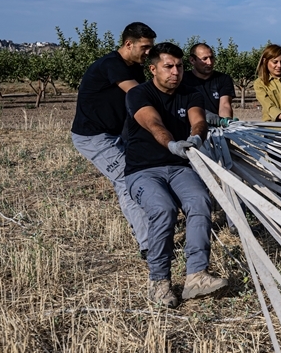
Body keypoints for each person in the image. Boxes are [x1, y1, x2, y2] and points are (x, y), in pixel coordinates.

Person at [123, 42, 228, 308]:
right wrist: (170, 143)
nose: (175, 72)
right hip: (143, 170)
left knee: (201, 202)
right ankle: (159, 282)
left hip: (180, 166)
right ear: (153, 69)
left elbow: (198, 120)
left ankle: (196, 275)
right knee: (163, 209)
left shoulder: (190, 93)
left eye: (179, 66)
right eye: (168, 66)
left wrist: (195, 137)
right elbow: (153, 123)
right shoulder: (138, 94)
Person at [70, 22, 155, 256]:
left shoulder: (135, 66)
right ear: (129, 44)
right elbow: (139, 95)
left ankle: (145, 226)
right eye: (145, 47)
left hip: (118, 133)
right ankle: (148, 244)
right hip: (94, 136)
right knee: (127, 180)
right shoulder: (112, 65)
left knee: (142, 174)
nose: (149, 53)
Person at [183, 43, 236, 124]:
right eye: (204, 59)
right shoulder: (183, 80)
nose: (209, 62)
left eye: (211, 57)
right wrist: (202, 114)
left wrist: (225, 121)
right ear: (192, 60)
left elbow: (225, 104)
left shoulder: (223, 79)